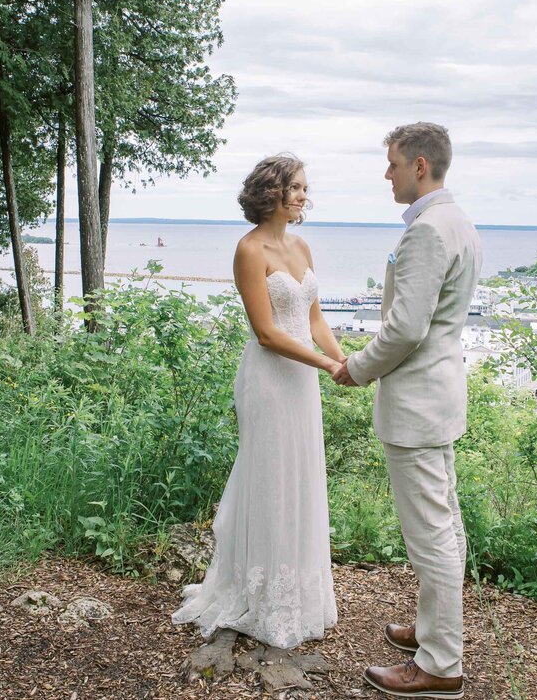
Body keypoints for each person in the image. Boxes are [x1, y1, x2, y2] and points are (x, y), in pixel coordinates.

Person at [333, 123, 481, 699]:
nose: (387, 174)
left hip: (417, 402)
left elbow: (405, 327)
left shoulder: (427, 230)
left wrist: (357, 367)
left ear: (420, 166)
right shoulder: (458, 221)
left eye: (392, 164)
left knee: (431, 534)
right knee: (444, 522)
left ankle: (441, 664)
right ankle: (430, 628)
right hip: (438, 397)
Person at [172, 153, 340, 648]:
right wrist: (326, 365)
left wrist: (345, 361)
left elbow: (315, 321)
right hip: (269, 379)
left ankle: (301, 593)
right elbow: (267, 333)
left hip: (303, 379)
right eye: (296, 187)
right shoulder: (249, 250)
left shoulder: (303, 246)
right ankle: (261, 593)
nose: (304, 195)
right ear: (272, 192)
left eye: (305, 187)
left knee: (301, 473)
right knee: (270, 475)